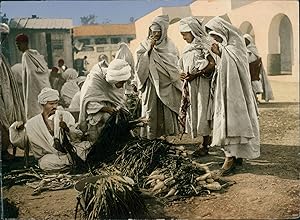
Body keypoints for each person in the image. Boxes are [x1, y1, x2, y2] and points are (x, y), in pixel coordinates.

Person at [204, 17, 260, 175]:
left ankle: (231, 157)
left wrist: (220, 52)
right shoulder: (226, 47)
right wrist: (219, 52)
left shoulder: (235, 46)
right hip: (226, 91)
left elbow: (236, 64)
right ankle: (233, 155)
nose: (214, 39)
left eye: (216, 35)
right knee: (228, 121)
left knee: (235, 121)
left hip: (236, 92)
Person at [9, 88, 91, 171]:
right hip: (52, 156)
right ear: (43, 104)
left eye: (56, 103)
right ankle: (74, 162)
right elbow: (21, 142)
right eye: (51, 104)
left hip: (69, 152)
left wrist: (67, 129)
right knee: (45, 163)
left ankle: (71, 163)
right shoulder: (32, 124)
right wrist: (16, 129)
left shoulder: (65, 115)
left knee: (87, 146)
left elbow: (77, 136)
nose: (54, 106)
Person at [135, 15, 182, 139]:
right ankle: (150, 136)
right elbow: (139, 64)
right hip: (150, 82)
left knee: (165, 108)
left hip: (166, 83)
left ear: (163, 32)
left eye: (158, 32)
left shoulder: (170, 45)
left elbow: (175, 63)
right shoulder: (143, 44)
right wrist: (149, 49)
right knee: (151, 109)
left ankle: (165, 135)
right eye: (153, 31)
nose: (155, 35)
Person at [178, 17, 216, 156]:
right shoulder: (187, 48)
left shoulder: (203, 45)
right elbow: (182, 65)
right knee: (194, 111)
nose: (183, 38)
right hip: (191, 85)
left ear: (193, 31)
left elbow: (212, 64)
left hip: (203, 85)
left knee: (203, 111)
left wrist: (197, 73)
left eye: (185, 34)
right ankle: (204, 140)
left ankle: (205, 144)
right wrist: (182, 74)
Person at [79, 59, 131, 144]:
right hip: (97, 115)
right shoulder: (95, 80)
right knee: (106, 120)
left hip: (112, 112)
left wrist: (119, 109)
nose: (122, 85)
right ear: (114, 80)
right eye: (121, 83)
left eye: (124, 82)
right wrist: (106, 109)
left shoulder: (117, 81)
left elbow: (118, 100)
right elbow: (88, 103)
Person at [0, 23, 25, 160]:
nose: (2, 39)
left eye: (4, 36)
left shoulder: (2, 56)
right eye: (1, 35)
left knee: (8, 118)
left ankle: (4, 151)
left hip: (5, 92)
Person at [15, 33, 51, 120]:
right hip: (43, 86)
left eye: (19, 44)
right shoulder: (35, 54)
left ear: (25, 43)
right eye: (17, 45)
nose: (18, 47)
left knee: (35, 109)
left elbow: (31, 74)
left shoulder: (26, 55)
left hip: (34, 88)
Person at [244, 34, 274, 103]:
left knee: (251, 85)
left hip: (253, 72)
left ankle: (254, 99)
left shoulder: (250, 51)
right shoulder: (248, 50)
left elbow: (250, 61)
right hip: (251, 71)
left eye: (246, 41)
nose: (244, 42)